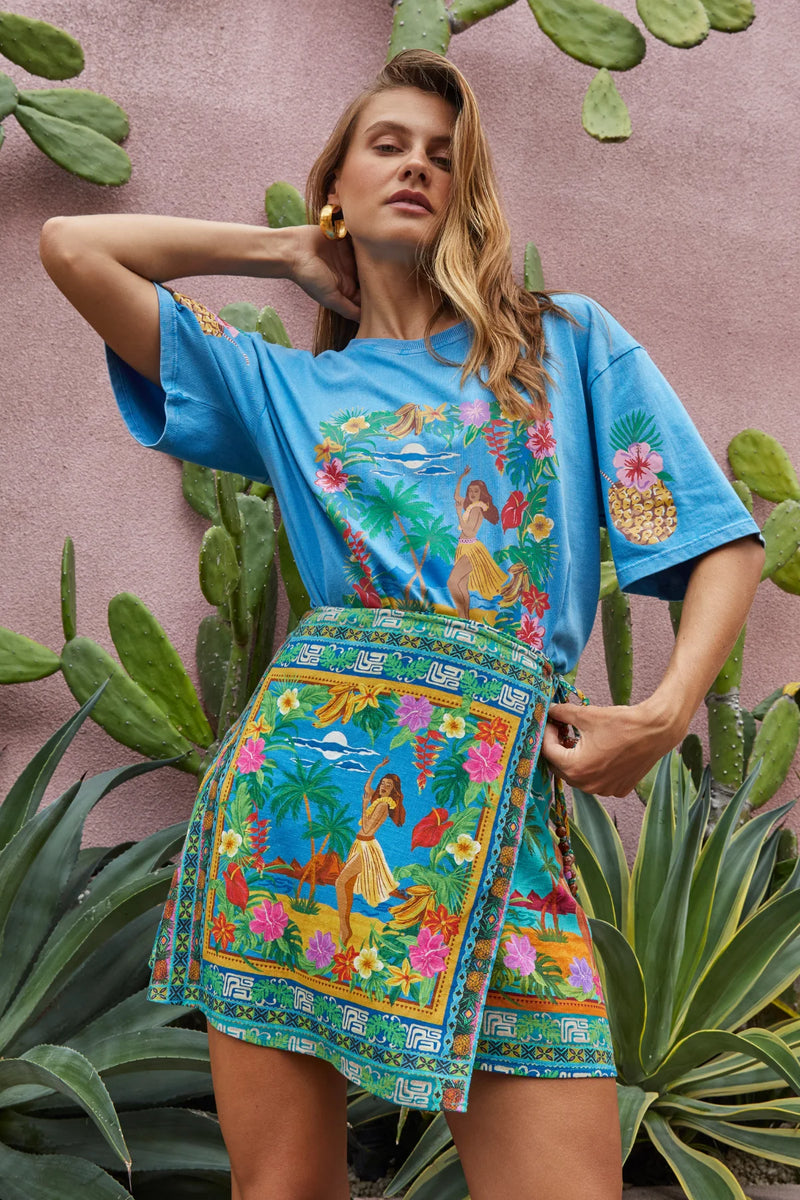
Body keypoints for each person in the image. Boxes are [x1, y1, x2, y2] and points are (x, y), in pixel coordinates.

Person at [40, 48, 764, 1200]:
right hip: (300, 804)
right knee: (283, 1191)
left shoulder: (561, 346)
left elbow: (715, 543)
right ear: (336, 182)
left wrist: (664, 711)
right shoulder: (278, 389)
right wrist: (284, 249)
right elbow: (74, 249)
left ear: (467, 191)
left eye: (443, 153)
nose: (417, 166)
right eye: (388, 145)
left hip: (500, 798)